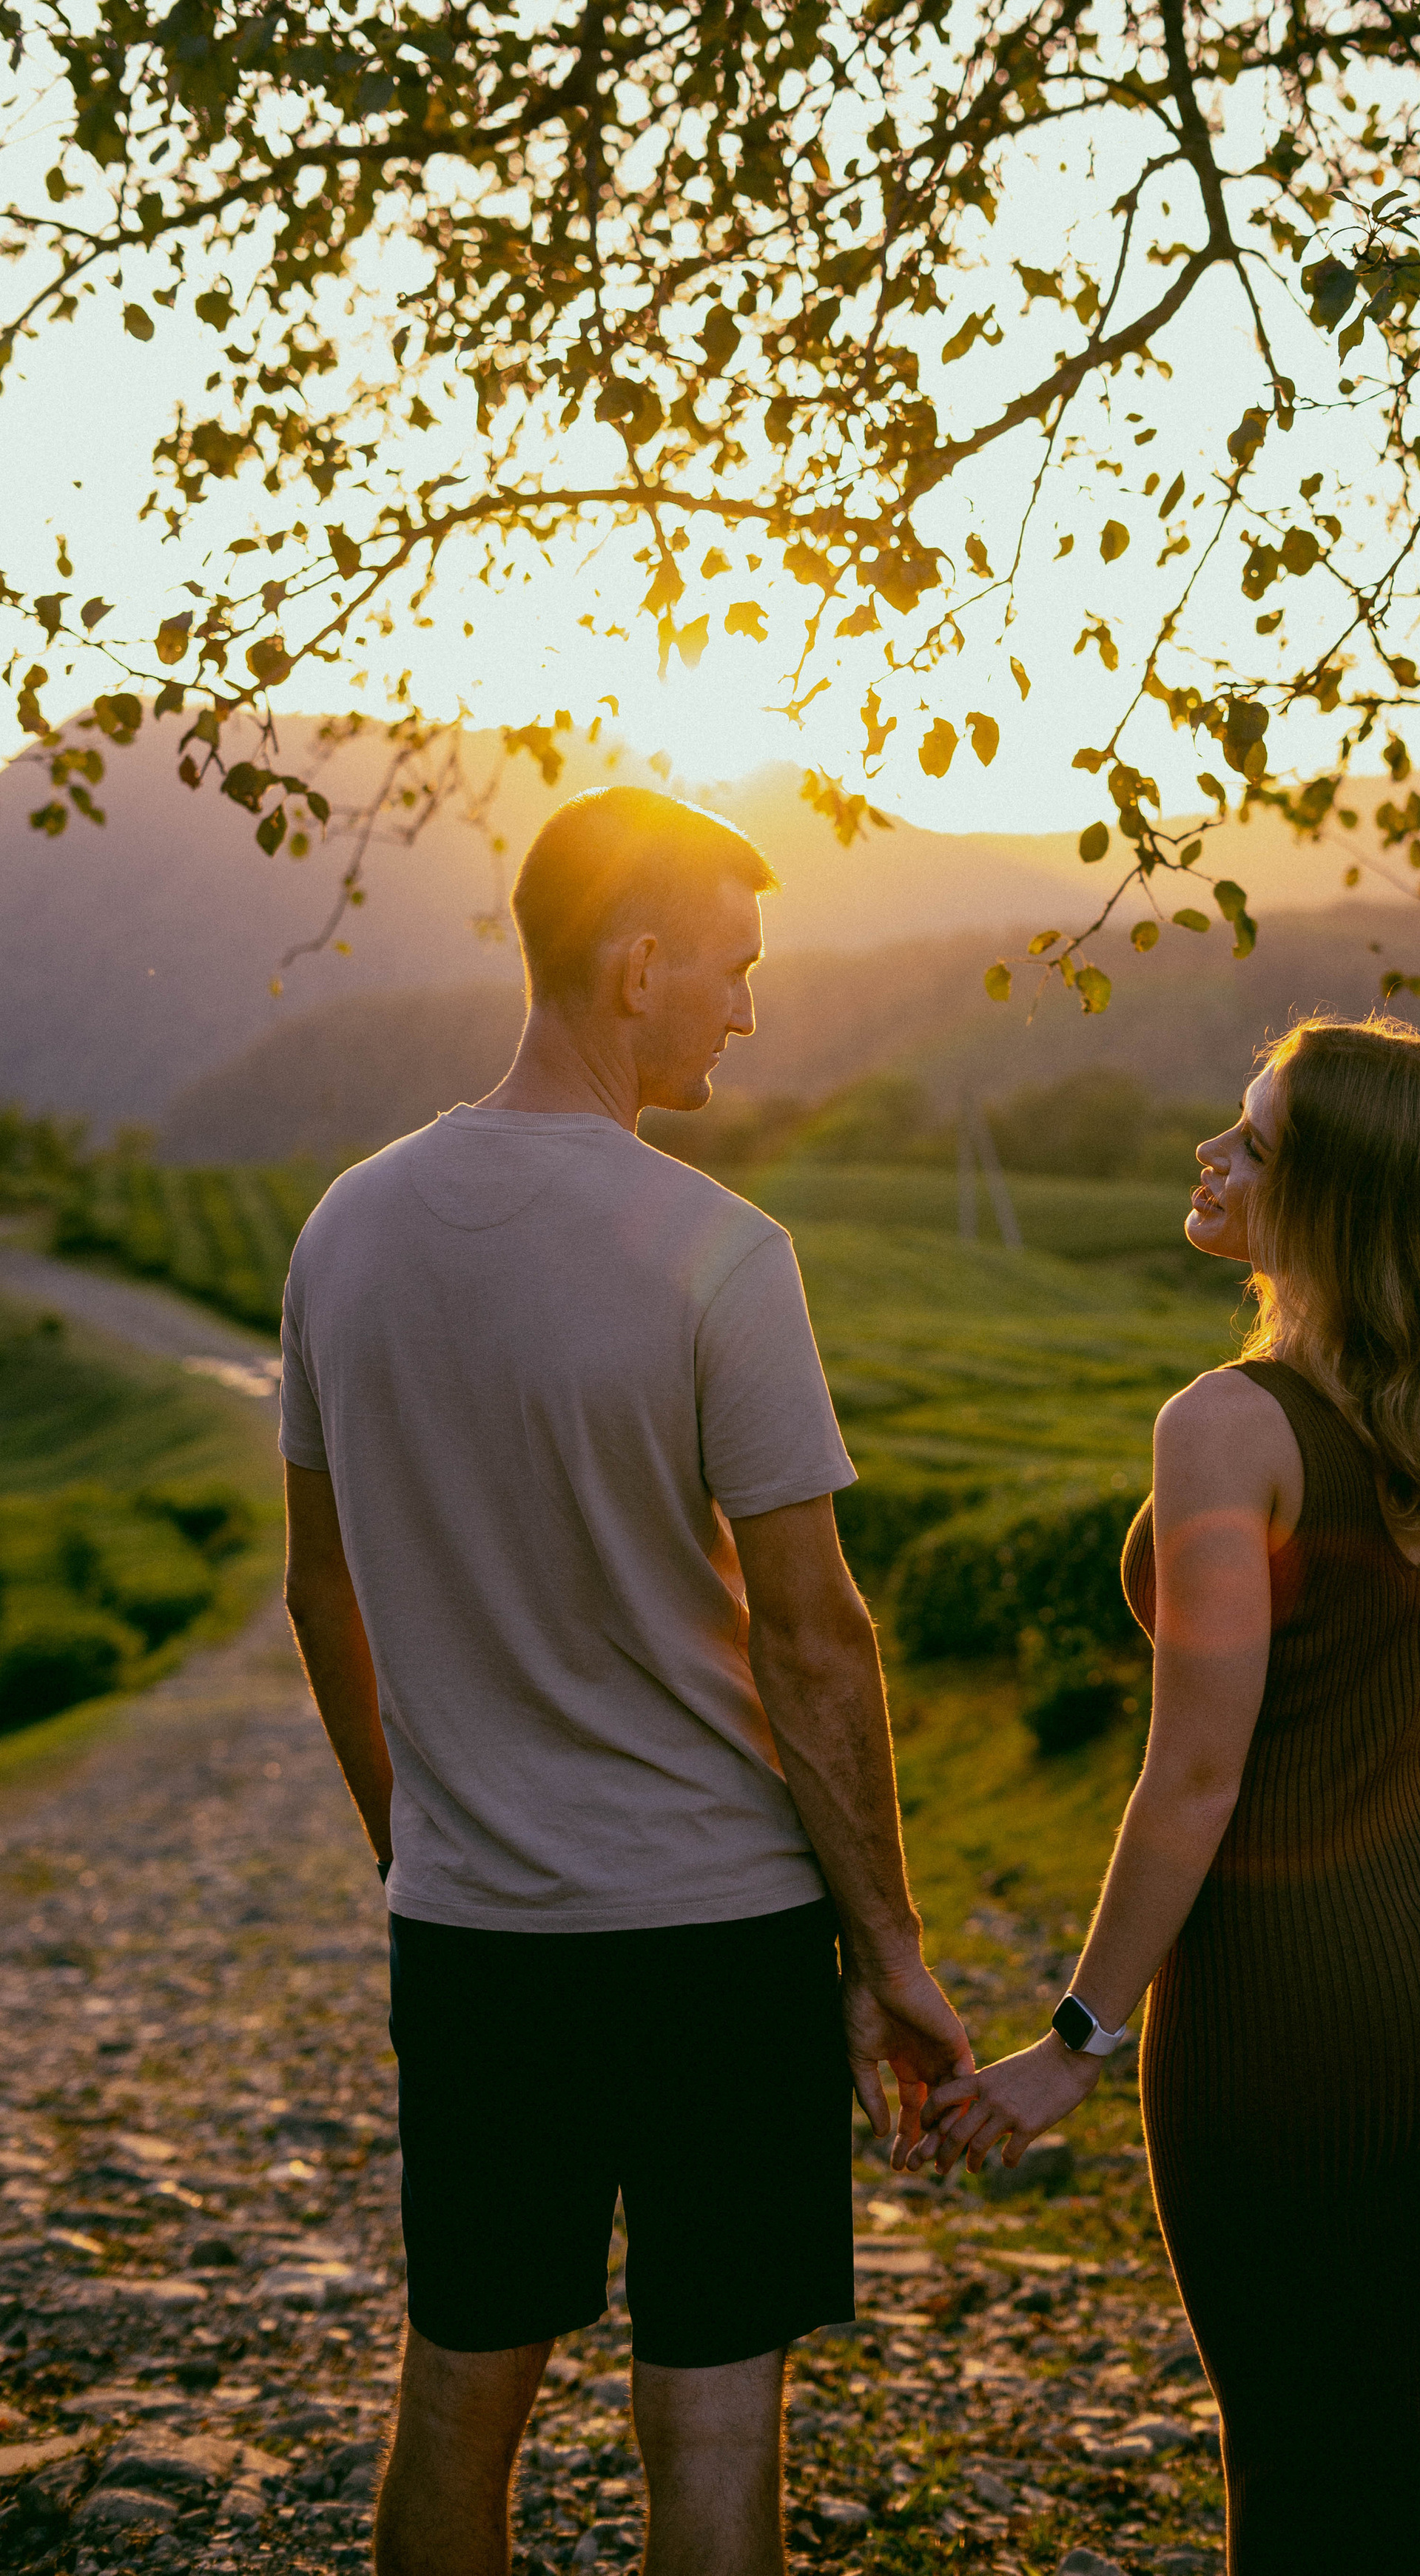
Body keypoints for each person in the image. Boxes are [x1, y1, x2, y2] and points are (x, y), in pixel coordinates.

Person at [279, 782, 970, 2576]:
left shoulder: (341, 1231)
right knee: (714, 2417)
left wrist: (415, 1840)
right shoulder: (724, 1253)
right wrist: (888, 1950)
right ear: (637, 963)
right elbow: (811, 1638)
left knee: (458, 2392)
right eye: (730, 968)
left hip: (476, 1935)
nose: (746, 1007)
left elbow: (321, 1586)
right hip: (715, 1939)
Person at [917, 1015, 1420, 2576]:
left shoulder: (1226, 1426)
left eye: (1256, 1144)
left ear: (1335, 1206)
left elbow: (1196, 1774)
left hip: (1283, 2018)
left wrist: (1074, 2043)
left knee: (1301, 2463)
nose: (1210, 1156)